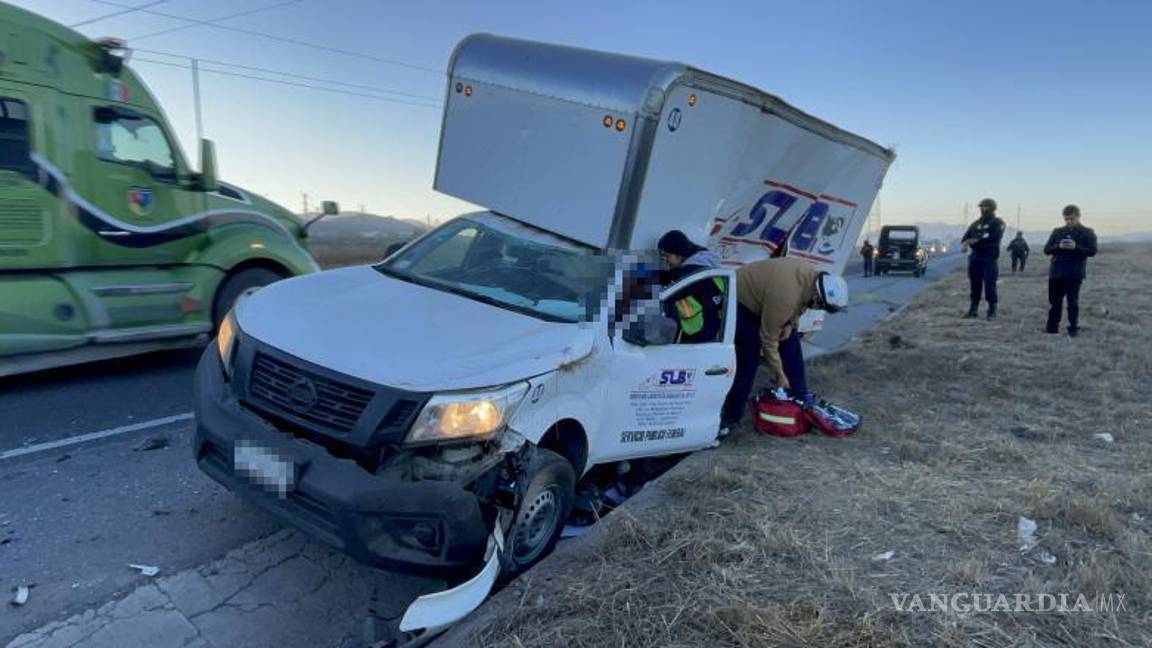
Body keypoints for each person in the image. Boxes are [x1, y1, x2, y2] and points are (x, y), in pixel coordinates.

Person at [720, 257, 849, 428]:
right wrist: (779, 373)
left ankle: (799, 399)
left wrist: (790, 324)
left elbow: (802, 302)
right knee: (749, 354)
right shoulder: (785, 296)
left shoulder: (812, 278)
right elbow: (768, 338)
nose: (817, 309)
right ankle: (731, 415)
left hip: (767, 296)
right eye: (820, 306)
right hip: (739, 299)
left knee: (790, 341)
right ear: (818, 297)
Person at [657, 230, 725, 344]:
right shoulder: (704, 265)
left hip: (700, 332)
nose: (665, 260)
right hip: (712, 328)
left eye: (667, 256)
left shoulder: (691, 273)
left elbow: (668, 294)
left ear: (678, 253)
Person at [1043, 205, 1097, 337]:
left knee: (1072, 303)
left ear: (1078, 216)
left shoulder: (1087, 232)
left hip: (1074, 273)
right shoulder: (1057, 231)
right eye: (1066, 219)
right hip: (1056, 272)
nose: (1069, 221)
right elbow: (1046, 249)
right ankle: (1052, 329)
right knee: (1054, 303)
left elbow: (1092, 251)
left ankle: (1073, 328)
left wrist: (1076, 247)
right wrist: (1058, 246)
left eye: (1072, 219)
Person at [961, 198, 1006, 319]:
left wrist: (976, 241)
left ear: (992, 208)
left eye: (986, 206)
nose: (983, 209)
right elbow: (965, 238)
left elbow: (994, 239)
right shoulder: (975, 224)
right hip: (975, 257)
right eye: (981, 206)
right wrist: (965, 244)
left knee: (990, 285)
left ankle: (992, 311)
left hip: (989, 258)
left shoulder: (997, 222)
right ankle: (973, 310)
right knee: (975, 284)